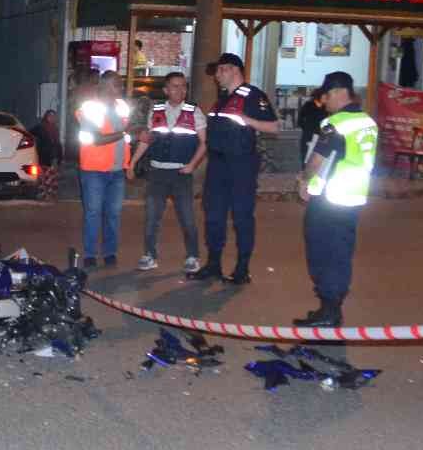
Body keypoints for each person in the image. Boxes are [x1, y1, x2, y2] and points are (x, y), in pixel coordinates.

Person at [295, 71, 378, 327]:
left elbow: (318, 159)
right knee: (341, 253)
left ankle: (329, 311)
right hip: (352, 197)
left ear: (337, 93)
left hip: (329, 199)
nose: (325, 102)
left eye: (326, 96)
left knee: (322, 253)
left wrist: (303, 180)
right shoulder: (367, 122)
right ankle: (331, 308)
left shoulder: (336, 123)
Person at [188, 53, 278, 284]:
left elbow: (274, 127)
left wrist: (248, 120)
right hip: (217, 164)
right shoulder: (222, 99)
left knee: (242, 217)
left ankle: (242, 269)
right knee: (214, 215)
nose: (216, 76)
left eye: (220, 71)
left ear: (234, 70)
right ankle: (214, 264)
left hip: (241, 164)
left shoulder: (252, 95)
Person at [128, 72, 206, 273]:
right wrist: (132, 162)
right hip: (157, 174)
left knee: (187, 217)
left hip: (181, 174)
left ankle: (192, 256)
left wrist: (192, 165)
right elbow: (147, 139)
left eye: (183, 86)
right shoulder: (156, 110)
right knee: (152, 216)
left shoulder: (194, 111)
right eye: (174, 86)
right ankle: (150, 255)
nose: (179, 90)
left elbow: (205, 142)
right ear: (166, 90)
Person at [75, 70, 130, 267]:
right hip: (93, 171)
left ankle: (109, 253)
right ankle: (90, 254)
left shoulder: (122, 107)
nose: (121, 87)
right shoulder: (90, 108)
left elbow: (127, 136)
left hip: (117, 171)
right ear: (105, 86)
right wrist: (125, 132)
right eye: (117, 84)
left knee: (113, 214)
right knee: (93, 213)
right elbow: (97, 139)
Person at [297, 88, 326, 167]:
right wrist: (307, 128)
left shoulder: (325, 107)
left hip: (321, 135)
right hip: (309, 135)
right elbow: (300, 120)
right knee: (306, 157)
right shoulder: (309, 105)